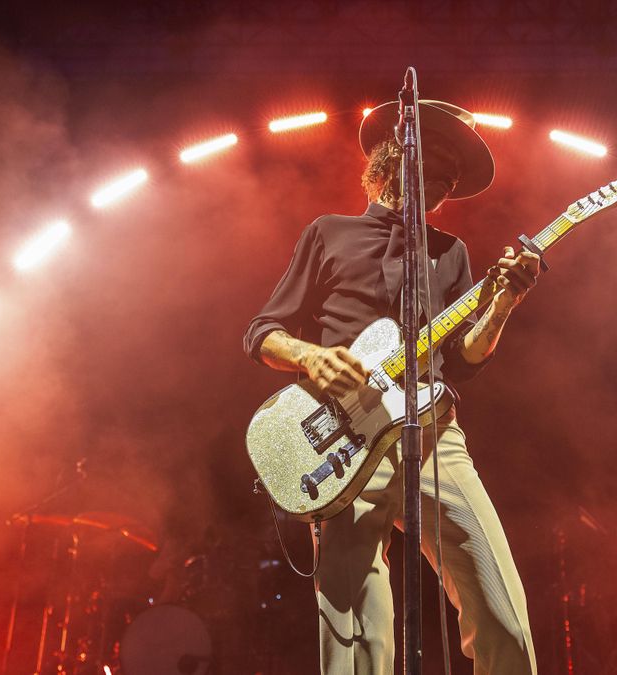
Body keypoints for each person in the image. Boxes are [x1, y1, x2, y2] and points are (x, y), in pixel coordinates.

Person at [243, 99, 538, 674]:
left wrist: (502, 305)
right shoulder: (328, 233)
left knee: (504, 614)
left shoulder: (450, 252)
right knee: (357, 640)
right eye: (431, 167)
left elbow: (465, 358)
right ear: (388, 164)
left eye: (449, 180)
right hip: (342, 441)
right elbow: (262, 331)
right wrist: (311, 356)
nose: (442, 185)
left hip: (433, 437)